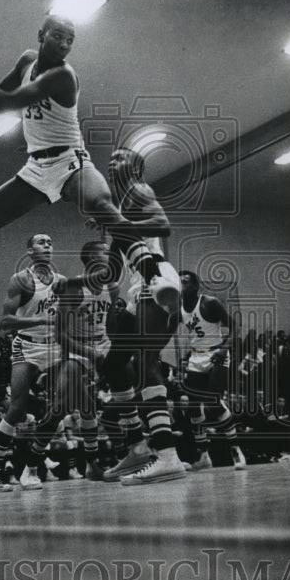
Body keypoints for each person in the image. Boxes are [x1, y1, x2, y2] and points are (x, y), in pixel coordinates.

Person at [0, 16, 167, 321]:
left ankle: (154, 277)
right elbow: (0, 99)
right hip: (37, 167)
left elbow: (7, 102)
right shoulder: (27, 62)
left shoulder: (63, 76)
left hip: (71, 160)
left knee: (102, 205)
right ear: (41, 35)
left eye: (70, 40)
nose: (64, 44)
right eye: (58, 36)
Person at [99, 147, 186, 485]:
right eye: (110, 159)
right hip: (135, 291)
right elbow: (114, 262)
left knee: (146, 362)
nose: (112, 162)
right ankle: (137, 447)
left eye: (119, 158)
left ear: (135, 167)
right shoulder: (119, 205)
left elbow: (162, 225)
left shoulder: (139, 189)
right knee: (113, 365)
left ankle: (168, 456)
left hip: (155, 278)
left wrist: (117, 224)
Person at [22, 239, 117, 485]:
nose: (111, 256)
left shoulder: (112, 286)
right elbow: (61, 336)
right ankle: (30, 467)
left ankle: (97, 464)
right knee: (60, 410)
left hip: (102, 345)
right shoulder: (73, 290)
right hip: (76, 349)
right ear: (93, 258)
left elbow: (111, 326)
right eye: (106, 252)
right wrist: (91, 354)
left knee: (90, 406)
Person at [0, 234, 63, 493]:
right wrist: (42, 321)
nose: (47, 245)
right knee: (16, 408)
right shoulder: (21, 280)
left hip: (54, 346)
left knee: (61, 406)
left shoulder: (61, 282)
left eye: (50, 242)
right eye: (41, 242)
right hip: (26, 345)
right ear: (29, 250)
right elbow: (6, 322)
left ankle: (32, 467)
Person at [178, 269, 247, 471]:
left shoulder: (210, 302)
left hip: (217, 353)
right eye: (179, 282)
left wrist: (224, 348)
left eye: (185, 282)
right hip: (196, 357)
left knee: (213, 403)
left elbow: (235, 327)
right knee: (192, 407)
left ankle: (236, 450)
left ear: (195, 286)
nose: (181, 285)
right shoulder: (179, 308)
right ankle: (203, 456)